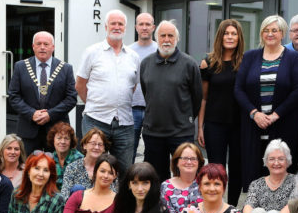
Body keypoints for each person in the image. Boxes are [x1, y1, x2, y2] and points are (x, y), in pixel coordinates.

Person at [235, 14, 298, 191]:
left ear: (282, 33)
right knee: (254, 174)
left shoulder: (293, 58)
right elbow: (238, 89)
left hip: (282, 125)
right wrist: (254, 113)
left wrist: (275, 115)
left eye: (274, 30)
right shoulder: (250, 57)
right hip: (253, 126)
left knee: (281, 172)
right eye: (266, 30)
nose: (270, 34)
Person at [76, 9, 139, 177]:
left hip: (124, 122)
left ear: (125, 28)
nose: (117, 27)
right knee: (93, 169)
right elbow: (80, 84)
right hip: (96, 120)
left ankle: (120, 203)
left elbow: (131, 87)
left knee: (125, 170)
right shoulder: (92, 52)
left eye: (120, 24)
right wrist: (94, 103)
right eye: (113, 23)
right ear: (106, 26)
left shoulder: (133, 56)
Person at [140, 20, 203, 182]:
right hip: (153, 133)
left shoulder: (189, 64)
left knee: (185, 177)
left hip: (181, 133)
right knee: (155, 180)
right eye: (162, 36)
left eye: (170, 35)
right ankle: (158, 208)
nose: (166, 39)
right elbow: (147, 92)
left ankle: (185, 208)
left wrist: (184, 118)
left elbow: (197, 98)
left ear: (177, 39)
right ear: (156, 38)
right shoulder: (146, 63)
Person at [198, 19, 245, 206]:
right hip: (214, 124)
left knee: (237, 169)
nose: (230, 37)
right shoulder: (208, 62)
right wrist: (200, 128)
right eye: (227, 33)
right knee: (216, 169)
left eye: (234, 34)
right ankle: (216, 206)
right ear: (220, 36)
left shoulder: (245, 62)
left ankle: (232, 208)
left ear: (239, 37)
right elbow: (204, 98)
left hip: (239, 124)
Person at [8, 31, 77, 154]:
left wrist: (50, 114)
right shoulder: (20, 66)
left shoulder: (66, 69)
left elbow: (71, 98)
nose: (42, 47)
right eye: (38, 44)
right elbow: (14, 96)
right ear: (33, 46)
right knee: (27, 168)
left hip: (58, 131)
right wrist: (31, 113)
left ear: (53, 47)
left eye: (46, 44)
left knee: (58, 169)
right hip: (28, 130)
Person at [160, 143, 205, 213]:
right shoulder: (166, 186)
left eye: (193, 158)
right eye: (185, 158)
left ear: (199, 162)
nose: (189, 162)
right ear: (176, 162)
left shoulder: (205, 184)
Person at [129, 13, 158, 163]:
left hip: (152, 109)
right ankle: (126, 185)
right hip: (131, 107)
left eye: (148, 24)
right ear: (136, 27)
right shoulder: (128, 51)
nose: (144, 27)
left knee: (153, 151)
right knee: (129, 150)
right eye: (141, 24)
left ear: (153, 27)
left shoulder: (160, 50)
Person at [60, 128, 109, 200]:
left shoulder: (109, 169)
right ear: (84, 145)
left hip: (101, 207)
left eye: (100, 144)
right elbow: (65, 195)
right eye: (93, 143)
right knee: (78, 188)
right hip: (77, 207)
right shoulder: (72, 168)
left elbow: (113, 194)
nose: (96, 147)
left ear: (104, 148)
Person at [46, 122, 84, 190]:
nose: (63, 142)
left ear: (71, 141)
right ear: (53, 140)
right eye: (59, 138)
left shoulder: (79, 158)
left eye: (66, 138)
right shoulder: (49, 159)